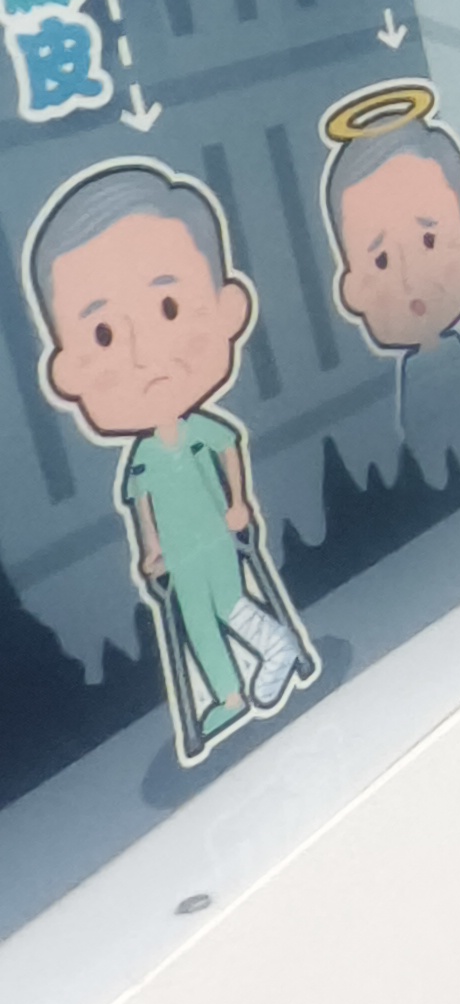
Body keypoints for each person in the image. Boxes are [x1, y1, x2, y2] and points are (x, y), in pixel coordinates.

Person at [28, 159, 319, 765]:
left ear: (226, 308)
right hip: (179, 552)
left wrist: (238, 503)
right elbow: (141, 505)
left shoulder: (200, 431)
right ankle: (231, 696)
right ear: (68, 370)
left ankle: (277, 646)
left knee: (225, 603)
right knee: (197, 621)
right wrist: (151, 548)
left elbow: (232, 448)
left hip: (214, 536)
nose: (141, 355)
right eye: (104, 335)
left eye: (168, 308)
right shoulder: (141, 456)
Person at [319, 84, 460, 484]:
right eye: (382, 260)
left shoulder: (455, 360)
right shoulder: (417, 376)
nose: (409, 279)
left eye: (429, 240)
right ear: (353, 289)